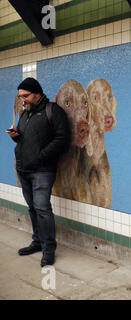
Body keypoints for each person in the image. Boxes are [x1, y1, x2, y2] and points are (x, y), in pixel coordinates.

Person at [6, 77, 70, 267]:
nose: (22, 100)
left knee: (43, 209)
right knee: (33, 208)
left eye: (25, 96)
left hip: (42, 170)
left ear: (37, 93)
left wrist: (41, 156)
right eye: (19, 97)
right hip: (23, 169)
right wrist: (16, 137)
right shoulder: (25, 114)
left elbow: (62, 139)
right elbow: (26, 140)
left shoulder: (53, 111)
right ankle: (37, 242)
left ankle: (49, 249)